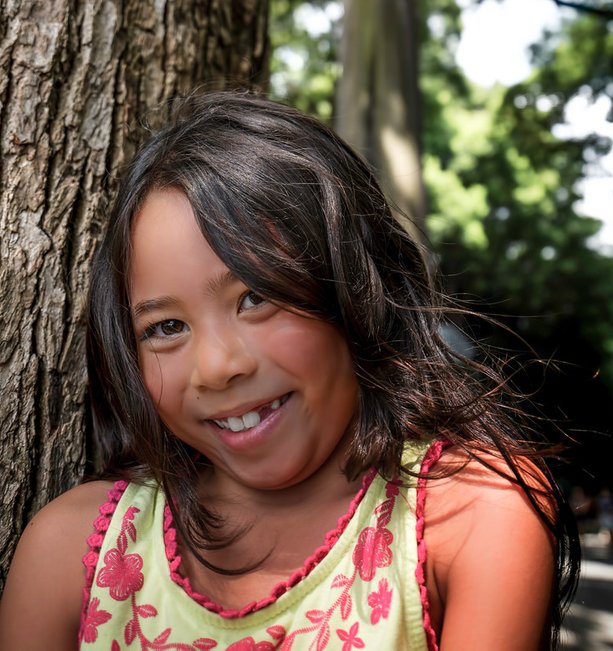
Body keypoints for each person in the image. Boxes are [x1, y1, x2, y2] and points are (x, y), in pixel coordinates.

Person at [0, 90, 579, 651]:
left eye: (255, 296)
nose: (219, 367)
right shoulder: (73, 556)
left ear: (356, 287)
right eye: (166, 328)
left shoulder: (468, 519)